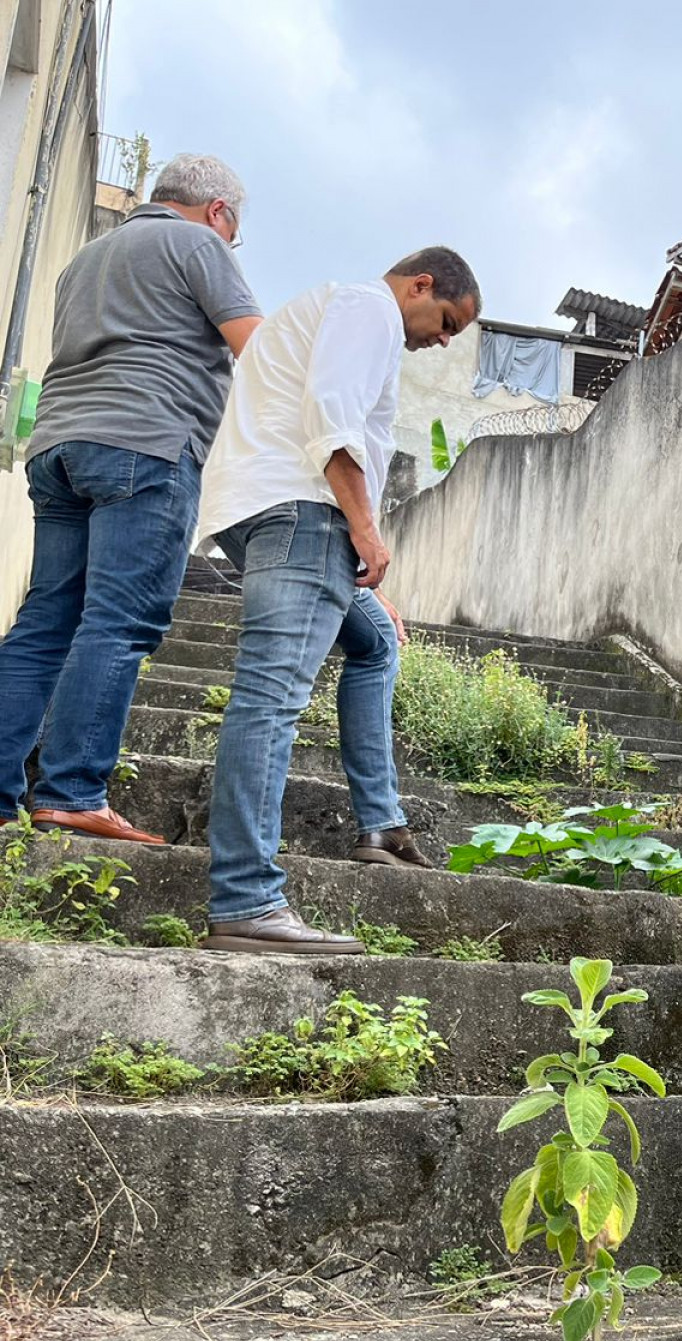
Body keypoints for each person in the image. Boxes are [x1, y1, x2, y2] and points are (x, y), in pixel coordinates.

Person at [198, 248, 480, 955]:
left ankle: (381, 824)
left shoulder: (325, 308)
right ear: (421, 286)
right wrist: (363, 527)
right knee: (269, 697)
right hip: (304, 514)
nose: (443, 340)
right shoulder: (367, 309)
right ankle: (246, 898)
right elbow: (331, 414)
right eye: (447, 320)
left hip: (265, 509)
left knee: (376, 641)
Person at [0, 154, 261, 842]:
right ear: (219, 213)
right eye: (235, 232)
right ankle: (71, 792)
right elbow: (257, 352)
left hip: (59, 446)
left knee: (46, 620)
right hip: (144, 444)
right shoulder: (199, 244)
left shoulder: (86, 259)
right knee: (119, 621)